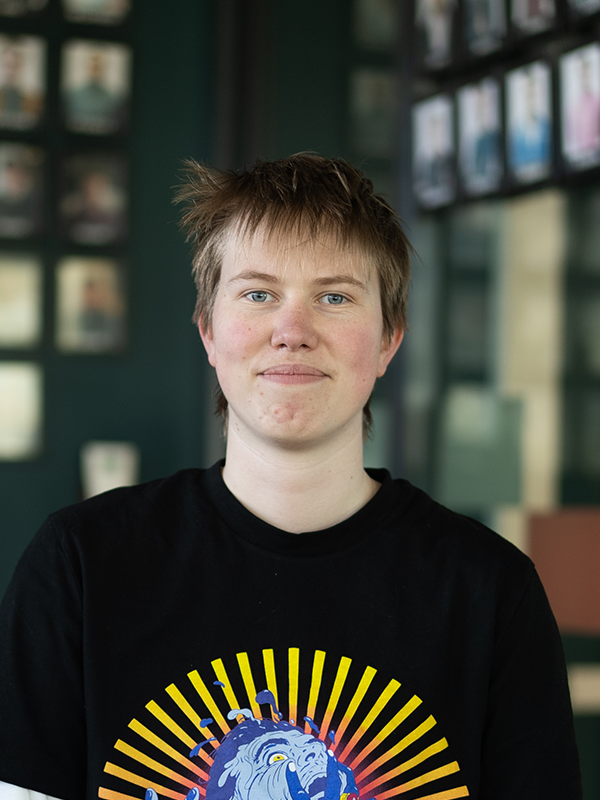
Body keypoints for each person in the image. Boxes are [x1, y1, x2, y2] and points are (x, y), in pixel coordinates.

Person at [0, 154, 581, 800]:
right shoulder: (79, 566)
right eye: (258, 294)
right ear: (208, 332)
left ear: (389, 339)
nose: (292, 331)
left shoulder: (492, 594)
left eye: (334, 297)